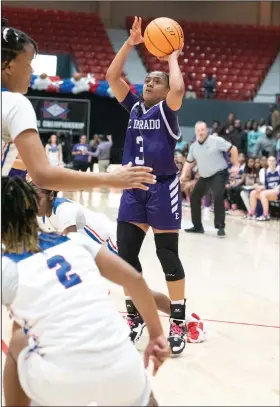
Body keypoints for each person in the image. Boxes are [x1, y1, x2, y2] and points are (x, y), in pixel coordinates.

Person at [2, 177, 170, 407]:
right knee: (142, 395)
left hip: (62, 384)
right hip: (122, 371)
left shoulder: (6, 268)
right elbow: (134, 279)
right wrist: (157, 335)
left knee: (19, 340)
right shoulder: (75, 241)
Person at [106, 16, 200, 355]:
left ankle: (177, 319)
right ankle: (135, 316)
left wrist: (172, 55)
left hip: (162, 188)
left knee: (167, 255)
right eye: (147, 77)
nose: (149, 80)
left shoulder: (168, 111)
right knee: (126, 255)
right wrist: (130, 44)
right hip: (134, 187)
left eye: (155, 78)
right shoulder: (133, 108)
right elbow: (112, 77)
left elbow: (178, 89)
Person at [34, 185, 205, 341]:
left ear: (50, 194)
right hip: (93, 251)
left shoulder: (64, 210)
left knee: (139, 293)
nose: (33, 202)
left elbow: (72, 246)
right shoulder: (43, 216)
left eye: (37, 197)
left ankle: (188, 320)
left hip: (110, 244)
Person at [1, 18, 155, 191]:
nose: (32, 71)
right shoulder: (15, 103)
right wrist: (111, 178)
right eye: (28, 64)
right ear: (9, 66)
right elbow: (43, 176)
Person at [181, 121, 239, 237]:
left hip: (219, 173)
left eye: (202, 130)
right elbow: (189, 163)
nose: (201, 132)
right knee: (194, 197)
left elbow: (233, 149)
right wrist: (183, 175)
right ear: (195, 132)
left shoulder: (216, 141)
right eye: (198, 130)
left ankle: (220, 226)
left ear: (207, 130)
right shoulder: (193, 147)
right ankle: (197, 227)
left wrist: (236, 165)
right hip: (204, 176)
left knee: (218, 195)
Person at [247, 156, 280, 221]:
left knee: (263, 194)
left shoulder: (278, 169)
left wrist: (277, 188)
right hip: (270, 192)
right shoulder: (265, 172)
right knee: (253, 193)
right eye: (270, 161)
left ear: (276, 162)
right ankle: (252, 213)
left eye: (273, 161)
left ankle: (266, 215)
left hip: (277, 191)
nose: (271, 162)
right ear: (267, 162)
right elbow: (266, 185)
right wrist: (260, 187)